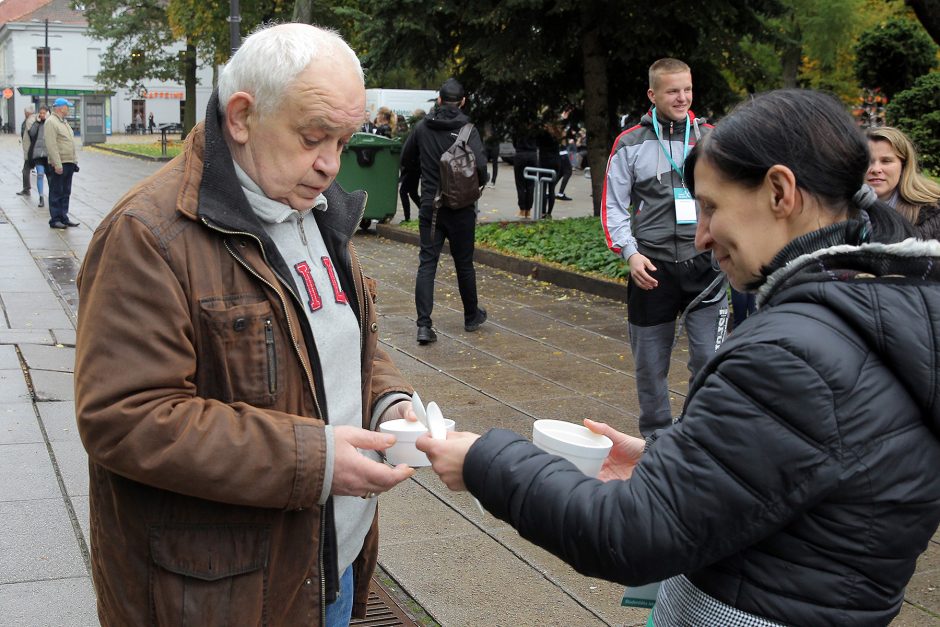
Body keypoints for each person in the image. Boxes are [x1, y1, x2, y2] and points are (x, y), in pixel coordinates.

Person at [417, 89, 939, 627]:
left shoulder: (794, 351)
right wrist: (682, 463)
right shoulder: (885, 313)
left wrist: (484, 460)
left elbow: (630, 535)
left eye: (712, 207)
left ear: (780, 192)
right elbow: (808, 473)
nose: (703, 235)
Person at [74, 24, 421, 626]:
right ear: (241, 116)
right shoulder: (148, 236)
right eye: (314, 138)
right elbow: (125, 418)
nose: (331, 166)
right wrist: (319, 460)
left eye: (343, 141)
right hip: (222, 597)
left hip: (326, 568)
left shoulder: (315, 210)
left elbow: (342, 339)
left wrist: (388, 401)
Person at [602, 58, 726, 438]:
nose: (683, 97)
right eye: (673, 91)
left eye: (687, 89)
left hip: (705, 267)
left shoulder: (711, 138)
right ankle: (656, 436)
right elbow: (612, 206)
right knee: (650, 365)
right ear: (652, 94)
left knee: (710, 359)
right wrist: (630, 253)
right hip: (651, 270)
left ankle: (695, 432)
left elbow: (735, 196)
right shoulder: (630, 143)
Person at [400, 77, 489, 345]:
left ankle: (424, 326)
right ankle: (471, 316)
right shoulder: (469, 130)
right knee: (464, 264)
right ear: (462, 102)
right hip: (461, 209)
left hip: (431, 207)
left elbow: (406, 160)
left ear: (438, 100)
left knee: (427, 263)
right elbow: (482, 169)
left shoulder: (421, 128)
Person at [866, 126, 940, 240]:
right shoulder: (839, 210)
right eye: (868, 161)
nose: (875, 169)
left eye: (886, 161)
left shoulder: (933, 211)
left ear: (903, 166)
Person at [44, 98, 80, 229]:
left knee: (66, 191)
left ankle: (64, 217)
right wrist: (57, 163)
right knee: (56, 191)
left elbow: (70, 142)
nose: (68, 109)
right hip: (59, 163)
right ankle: (55, 219)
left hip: (68, 162)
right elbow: (51, 145)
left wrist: (74, 160)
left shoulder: (64, 122)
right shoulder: (51, 122)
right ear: (60, 108)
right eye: (67, 106)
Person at [511, 128, 538, 218]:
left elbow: (514, 141)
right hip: (532, 155)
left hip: (520, 155)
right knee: (531, 184)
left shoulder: (518, 126)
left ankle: (522, 210)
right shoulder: (536, 127)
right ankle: (528, 210)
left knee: (520, 184)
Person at [27, 105, 49, 209]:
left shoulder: (51, 123)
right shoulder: (37, 124)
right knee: (40, 174)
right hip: (38, 154)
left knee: (50, 177)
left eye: (44, 113)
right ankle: (41, 197)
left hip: (49, 155)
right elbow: (31, 133)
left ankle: (52, 196)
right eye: (40, 113)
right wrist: (37, 122)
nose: (42, 114)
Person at [17, 104, 37, 197]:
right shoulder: (34, 119)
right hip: (32, 149)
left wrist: (31, 149)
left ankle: (26, 189)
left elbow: (33, 135)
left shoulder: (29, 121)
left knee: (26, 170)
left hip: (31, 150)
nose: (24, 114)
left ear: (28, 113)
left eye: (25, 113)